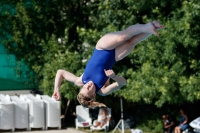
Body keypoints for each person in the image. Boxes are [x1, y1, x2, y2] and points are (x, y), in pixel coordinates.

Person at [52, 20, 164, 108]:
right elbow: (123, 83)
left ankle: (147, 26)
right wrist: (114, 77)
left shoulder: (80, 81)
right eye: (89, 89)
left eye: (85, 87)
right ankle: (153, 26)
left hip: (102, 47)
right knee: (132, 42)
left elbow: (60, 72)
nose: (89, 85)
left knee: (124, 36)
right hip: (114, 56)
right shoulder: (102, 91)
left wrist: (56, 89)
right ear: (94, 95)